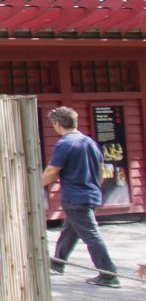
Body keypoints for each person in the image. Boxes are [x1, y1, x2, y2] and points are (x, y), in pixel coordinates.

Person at [42, 106, 121, 288]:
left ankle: (109, 274)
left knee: (91, 236)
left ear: (57, 123)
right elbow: (102, 170)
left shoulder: (65, 143)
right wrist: (93, 187)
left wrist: (34, 185)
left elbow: (52, 171)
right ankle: (58, 263)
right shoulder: (90, 142)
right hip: (91, 194)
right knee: (70, 230)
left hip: (75, 197)